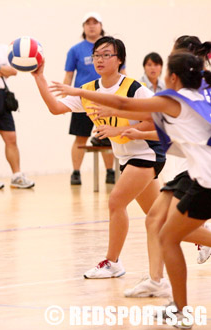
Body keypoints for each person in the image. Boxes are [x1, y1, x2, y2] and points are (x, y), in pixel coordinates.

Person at [58, 50, 211, 328]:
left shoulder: (174, 99)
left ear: (173, 77)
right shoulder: (203, 96)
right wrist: (136, 131)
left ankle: (180, 309)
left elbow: (121, 101)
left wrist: (75, 90)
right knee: (161, 226)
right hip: (200, 176)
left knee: (167, 236)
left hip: (206, 181)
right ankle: (174, 302)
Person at [33, 36, 166, 279]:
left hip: (147, 152)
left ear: (120, 60)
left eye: (106, 55)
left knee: (116, 202)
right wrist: (38, 77)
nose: (100, 59)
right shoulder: (90, 90)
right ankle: (203, 235)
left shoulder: (135, 88)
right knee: (161, 218)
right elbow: (56, 107)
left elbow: (156, 122)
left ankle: (113, 262)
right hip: (127, 158)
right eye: (96, 55)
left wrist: (117, 130)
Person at [64, 12, 117, 185]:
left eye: (95, 22)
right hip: (82, 99)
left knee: (106, 135)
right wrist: (66, 99)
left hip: (106, 99)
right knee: (80, 137)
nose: (92, 26)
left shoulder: (112, 49)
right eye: (88, 23)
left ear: (101, 26)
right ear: (83, 27)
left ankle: (110, 172)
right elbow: (68, 76)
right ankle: (76, 172)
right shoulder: (75, 50)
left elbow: (122, 73)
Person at [0, 15, 34, 189]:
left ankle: (16, 176)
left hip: (3, 96)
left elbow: (14, 70)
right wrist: (3, 70)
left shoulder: (2, 49)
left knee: (11, 137)